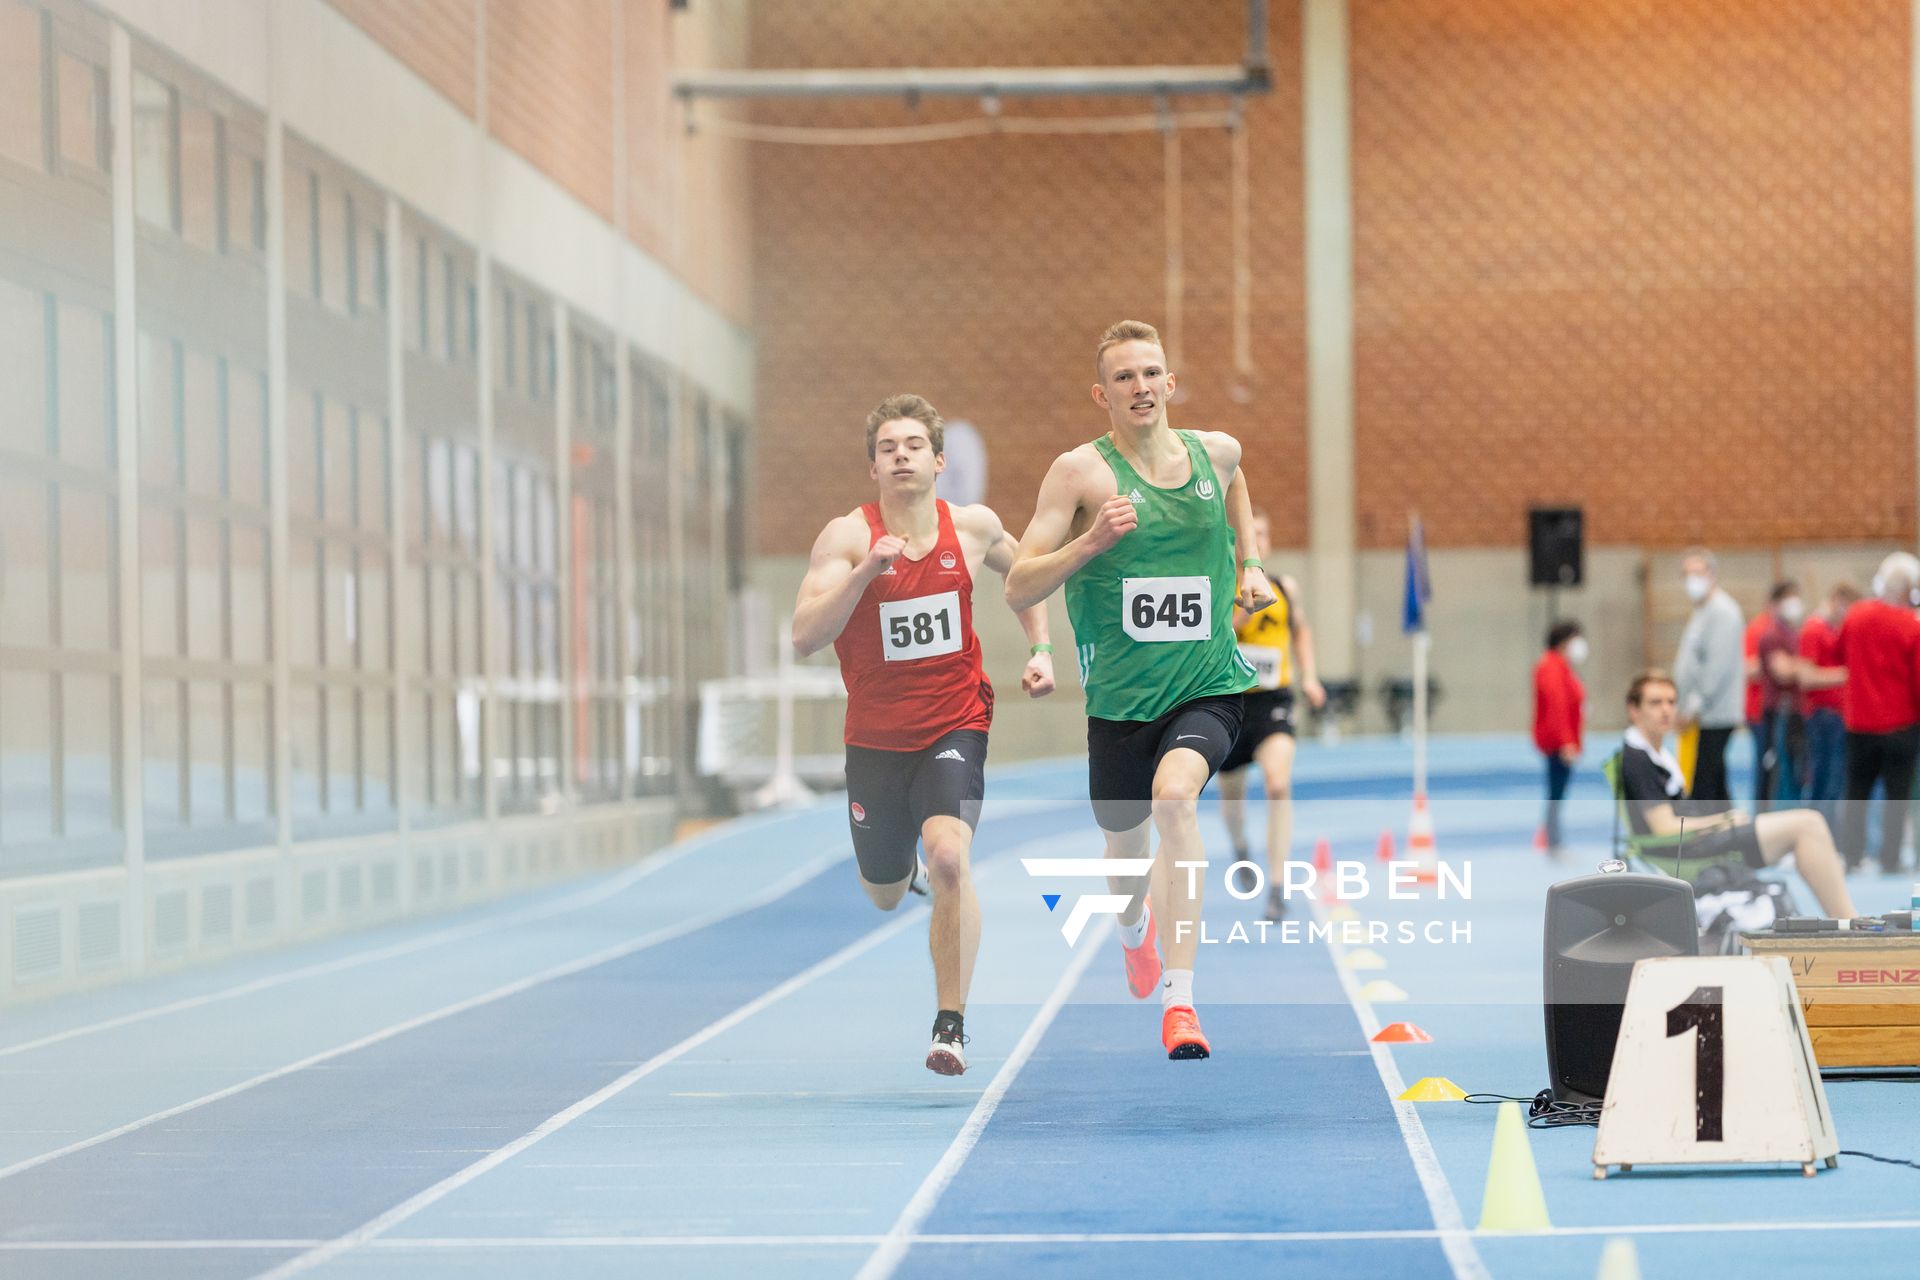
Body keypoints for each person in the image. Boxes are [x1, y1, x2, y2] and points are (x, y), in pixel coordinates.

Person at [1006, 320, 1275, 1061]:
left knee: (1175, 801)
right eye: (1124, 377)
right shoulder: (1079, 475)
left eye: (1151, 373)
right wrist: (1092, 541)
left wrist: (1250, 562)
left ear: (1170, 383)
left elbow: (1235, 480)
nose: (1140, 387)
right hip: (1120, 705)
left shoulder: (1214, 452)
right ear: (1103, 395)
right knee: (1125, 859)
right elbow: (1018, 584)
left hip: (1207, 685)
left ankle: (1180, 1003)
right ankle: (1133, 936)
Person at [792, 393, 1056, 1076]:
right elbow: (804, 637)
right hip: (875, 743)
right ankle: (899, 869)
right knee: (883, 892)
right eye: (888, 448)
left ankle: (950, 1024)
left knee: (949, 859)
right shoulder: (846, 539)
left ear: (939, 461)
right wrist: (865, 574)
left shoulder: (972, 528)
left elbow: (1026, 577)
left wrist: (1041, 649)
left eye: (913, 445)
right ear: (873, 467)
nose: (901, 456)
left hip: (954, 723)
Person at [1617, 671, 1855, 919]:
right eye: (1655, 703)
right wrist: (1720, 821)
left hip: (1696, 840)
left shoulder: (1655, 753)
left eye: (1671, 702)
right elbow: (1664, 827)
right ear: (1634, 710)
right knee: (1808, 825)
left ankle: (1846, 919)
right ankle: (1848, 920)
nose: (1666, 710)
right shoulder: (1637, 760)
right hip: (1686, 850)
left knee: (1808, 825)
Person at [1216, 509, 1326, 921]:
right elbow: (1219, 633)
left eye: (1263, 533)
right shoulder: (1219, 586)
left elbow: (1301, 631)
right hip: (1229, 703)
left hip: (1272, 700)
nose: (1257, 540)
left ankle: (1278, 887)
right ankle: (1241, 847)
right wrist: (1245, 604)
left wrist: (1310, 677)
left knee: (1278, 785)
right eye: (1250, 534)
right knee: (1232, 802)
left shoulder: (1285, 587)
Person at [1833, 552, 1920, 875]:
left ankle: (1852, 856)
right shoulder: (1911, 625)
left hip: (1860, 723)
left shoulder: (1855, 615)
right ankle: (1890, 859)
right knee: (1897, 797)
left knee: (1856, 792)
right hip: (1900, 725)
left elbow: (1839, 654)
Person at [1672, 548, 1745, 808]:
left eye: (1698, 573)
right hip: (1701, 715)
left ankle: (1712, 830)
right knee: (1714, 784)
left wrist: (1692, 708)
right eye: (1687, 574)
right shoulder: (1702, 611)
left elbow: (1715, 670)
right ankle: (1730, 829)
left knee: (1703, 786)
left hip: (1713, 714)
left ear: (1712, 575)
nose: (1692, 580)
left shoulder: (1723, 612)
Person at [1796, 582, 1858, 829]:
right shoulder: (1814, 629)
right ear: (1837, 601)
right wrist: (1848, 674)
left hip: (1835, 716)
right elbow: (1806, 677)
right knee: (1825, 781)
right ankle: (1819, 830)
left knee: (1833, 781)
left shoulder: (1832, 629)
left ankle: (1826, 830)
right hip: (1823, 716)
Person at [1531, 620, 1586, 859]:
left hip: (1564, 739)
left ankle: (1553, 838)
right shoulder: (1551, 667)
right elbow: (1556, 707)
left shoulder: (1562, 667)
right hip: (1557, 742)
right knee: (1555, 793)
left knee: (1558, 793)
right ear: (1565, 642)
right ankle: (1553, 841)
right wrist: (1565, 741)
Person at [1752, 581, 1805, 811]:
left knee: (1794, 771)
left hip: (1794, 712)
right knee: (1778, 771)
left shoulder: (1793, 634)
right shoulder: (1773, 635)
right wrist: (1808, 667)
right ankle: (1770, 817)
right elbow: (1782, 672)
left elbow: (1794, 668)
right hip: (1779, 712)